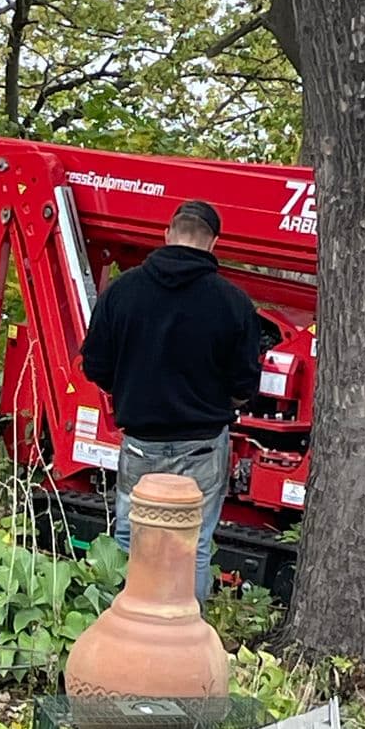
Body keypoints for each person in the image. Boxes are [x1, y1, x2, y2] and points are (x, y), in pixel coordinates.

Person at [80, 199, 261, 607]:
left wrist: (130, 387)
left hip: (141, 441)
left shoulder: (121, 293)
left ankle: (125, 628)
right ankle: (184, 638)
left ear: (167, 234)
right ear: (213, 243)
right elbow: (245, 383)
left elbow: (95, 365)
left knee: (130, 537)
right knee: (192, 544)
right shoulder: (232, 302)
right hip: (202, 443)